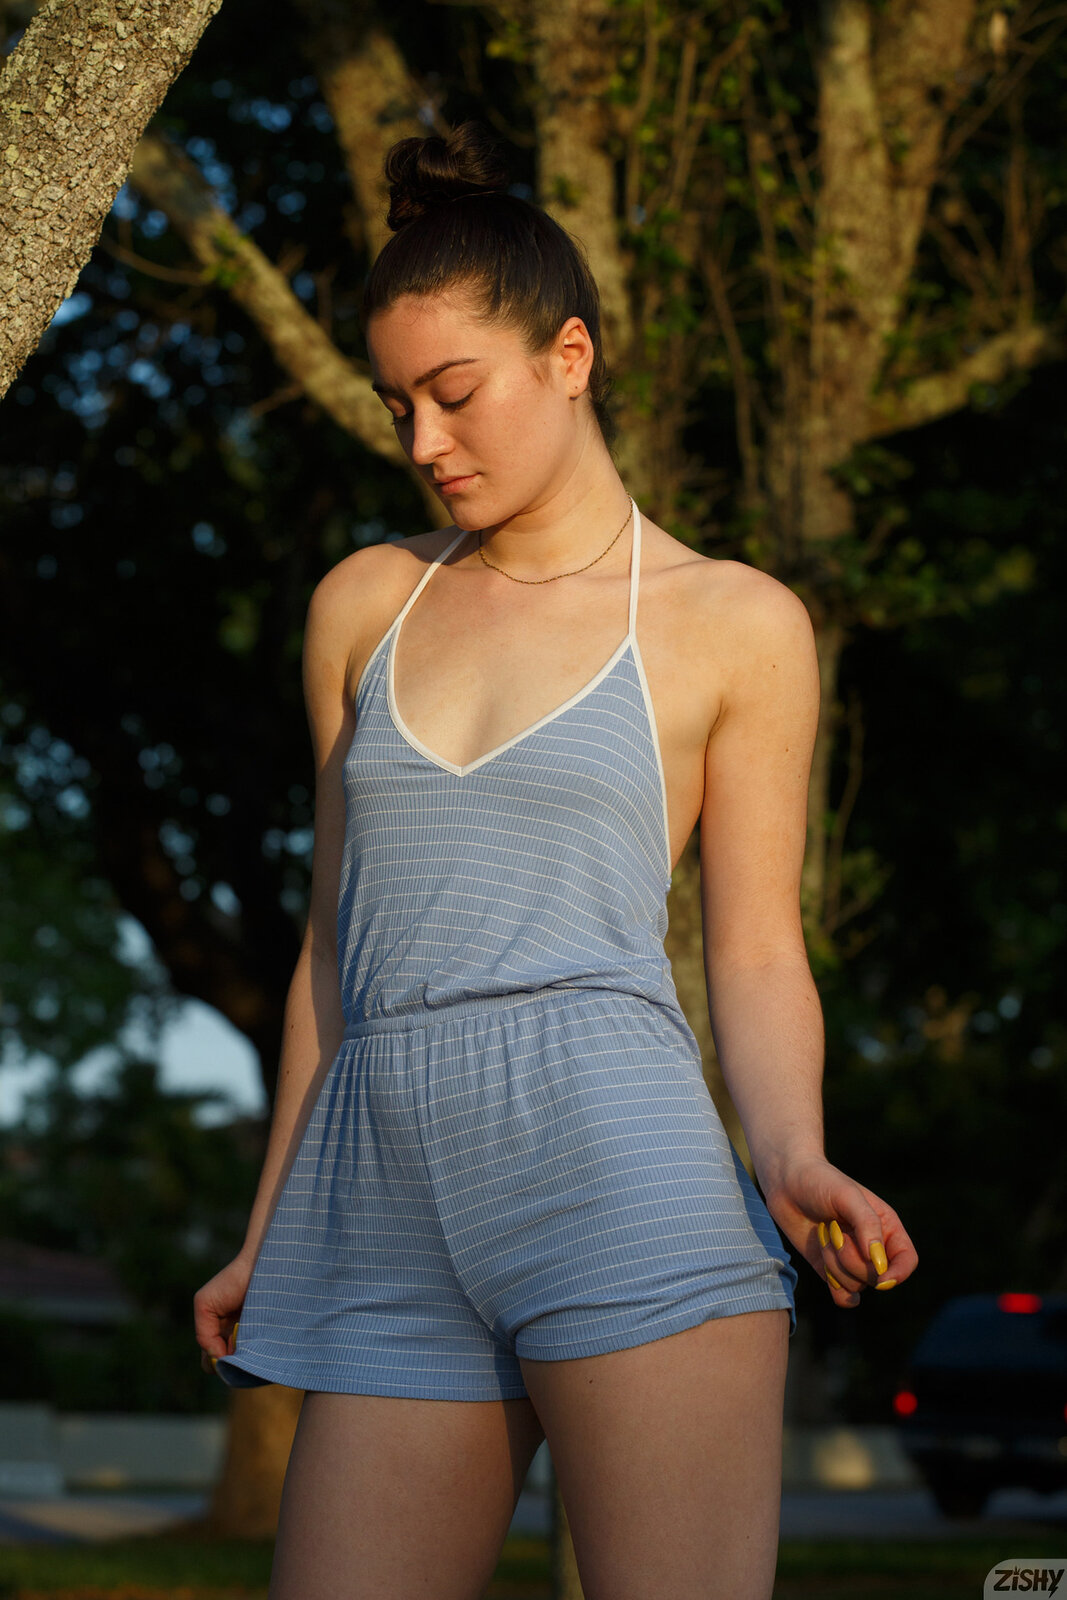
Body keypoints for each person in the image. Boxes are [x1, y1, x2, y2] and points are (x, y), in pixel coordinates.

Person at [193, 122, 917, 1600]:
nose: (424, 443)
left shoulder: (736, 622)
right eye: (398, 405)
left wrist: (791, 1154)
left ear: (569, 355)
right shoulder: (363, 605)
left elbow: (755, 947)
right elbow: (333, 948)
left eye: (455, 394)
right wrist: (272, 1230)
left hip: (619, 1180)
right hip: (386, 1203)